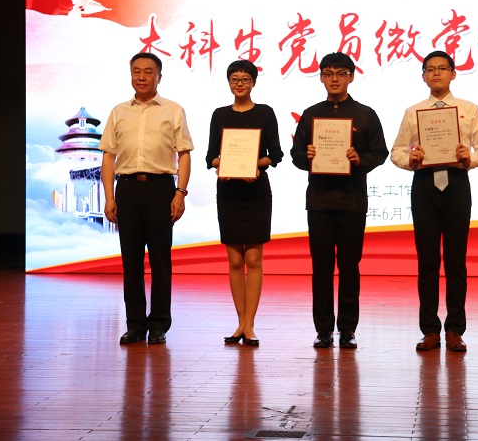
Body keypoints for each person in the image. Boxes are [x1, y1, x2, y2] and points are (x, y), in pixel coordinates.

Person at [390, 50, 478, 353]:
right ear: (423, 76)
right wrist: (410, 160)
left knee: (456, 261)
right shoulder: (414, 112)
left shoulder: (468, 109)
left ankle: (455, 330)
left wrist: (469, 159)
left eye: (442, 68)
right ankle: (430, 330)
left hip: (457, 183)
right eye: (430, 69)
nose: (436, 73)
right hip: (424, 185)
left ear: (453, 74)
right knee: (427, 261)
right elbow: (397, 151)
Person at [291, 52, 388, 349]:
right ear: (321, 77)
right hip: (319, 201)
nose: (334, 79)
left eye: (341, 73)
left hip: (352, 201)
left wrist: (360, 159)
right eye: (328, 73)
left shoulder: (365, 114)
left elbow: (380, 152)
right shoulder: (311, 114)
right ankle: (323, 330)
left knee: (349, 266)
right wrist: (306, 156)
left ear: (351, 77)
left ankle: (347, 329)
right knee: (321, 267)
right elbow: (296, 155)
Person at [98, 52, 194, 346]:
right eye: (136, 71)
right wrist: (109, 197)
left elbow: (184, 154)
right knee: (131, 261)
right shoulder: (118, 112)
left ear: (159, 77)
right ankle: (135, 324)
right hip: (127, 189)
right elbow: (108, 157)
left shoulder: (173, 110)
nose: (141, 77)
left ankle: (159, 324)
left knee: (161, 261)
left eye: (148, 72)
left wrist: (180, 193)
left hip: (160, 189)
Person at [205, 60, 283, 347]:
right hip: (229, 192)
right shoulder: (219, 114)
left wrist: (254, 165)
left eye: (245, 79)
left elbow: (276, 154)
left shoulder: (265, 113)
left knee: (253, 259)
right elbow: (211, 156)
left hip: (256, 192)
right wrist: (222, 165)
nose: (239, 84)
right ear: (228, 83)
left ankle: (250, 324)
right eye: (234, 79)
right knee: (235, 260)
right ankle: (240, 322)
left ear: (253, 83)